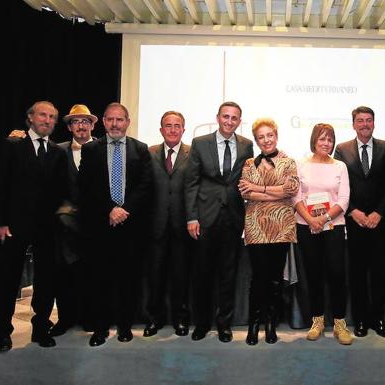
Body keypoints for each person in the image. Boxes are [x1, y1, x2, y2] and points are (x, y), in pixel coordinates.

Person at [0, 101, 68, 352]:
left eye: (52, 117)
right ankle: (2, 331)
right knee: (7, 278)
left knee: (47, 279)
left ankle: (40, 327)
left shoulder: (57, 152)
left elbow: (60, 191)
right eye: (43, 115)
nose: (47, 120)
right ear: (30, 118)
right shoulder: (12, 145)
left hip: (46, 227)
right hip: (14, 225)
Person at [79, 102, 153, 347]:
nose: (115, 124)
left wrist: (124, 209)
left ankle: (124, 326)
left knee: (128, 279)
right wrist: (110, 208)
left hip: (131, 226)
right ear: (103, 121)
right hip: (101, 225)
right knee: (100, 278)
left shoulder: (141, 149)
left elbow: (145, 185)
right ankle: (100, 329)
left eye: (119, 119)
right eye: (110, 119)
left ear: (127, 122)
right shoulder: (91, 150)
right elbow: (86, 186)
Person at [185, 101, 254, 342]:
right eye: (225, 116)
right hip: (205, 217)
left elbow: (247, 181)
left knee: (228, 274)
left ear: (239, 121)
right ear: (218, 117)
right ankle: (202, 324)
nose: (229, 121)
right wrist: (192, 217)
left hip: (233, 218)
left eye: (234, 118)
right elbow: (191, 182)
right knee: (202, 274)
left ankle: (224, 324)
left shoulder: (247, 146)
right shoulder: (200, 143)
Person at [334, 106, 385, 338]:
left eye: (368, 120)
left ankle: (378, 319)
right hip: (355, 222)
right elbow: (337, 185)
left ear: (374, 123)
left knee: (380, 273)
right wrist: (352, 211)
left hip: (380, 222)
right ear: (353, 124)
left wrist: (379, 213)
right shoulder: (341, 150)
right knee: (358, 273)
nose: (364, 124)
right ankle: (360, 320)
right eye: (360, 121)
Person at [238, 118, 299, 345]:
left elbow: (291, 190)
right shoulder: (248, 163)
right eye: (261, 137)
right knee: (258, 279)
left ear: (276, 135)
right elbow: (245, 192)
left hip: (281, 227)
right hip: (255, 226)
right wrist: (273, 192)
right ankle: (254, 326)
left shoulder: (289, 162)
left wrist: (259, 189)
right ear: (256, 140)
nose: (266, 140)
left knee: (275, 279)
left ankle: (271, 325)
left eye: (270, 135)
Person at [294, 123, 352, 345]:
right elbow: (295, 197)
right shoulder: (300, 165)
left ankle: (339, 323)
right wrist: (310, 220)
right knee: (313, 274)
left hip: (333, 226)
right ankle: (317, 321)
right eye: (322, 139)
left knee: (337, 274)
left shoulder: (340, 166)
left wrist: (324, 218)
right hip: (306, 226)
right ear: (314, 141)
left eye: (329, 139)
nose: (326, 143)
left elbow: (344, 200)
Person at [142, 111, 192, 337]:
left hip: (183, 226)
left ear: (183, 129)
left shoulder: (193, 153)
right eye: (168, 126)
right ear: (161, 129)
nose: (172, 130)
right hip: (155, 226)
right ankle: (154, 319)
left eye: (177, 126)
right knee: (155, 276)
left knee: (181, 277)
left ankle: (180, 320)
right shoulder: (148, 152)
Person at [52, 104, 97, 336]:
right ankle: (65, 318)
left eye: (85, 121)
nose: (81, 125)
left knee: (92, 272)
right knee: (65, 273)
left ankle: (90, 317)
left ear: (92, 125)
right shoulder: (57, 150)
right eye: (76, 121)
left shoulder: (104, 149)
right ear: (69, 126)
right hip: (66, 225)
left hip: (96, 225)